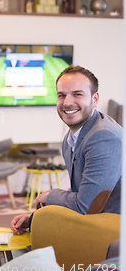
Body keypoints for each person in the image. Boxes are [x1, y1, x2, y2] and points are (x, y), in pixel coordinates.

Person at [11, 65, 122, 235]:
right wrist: (34, 218)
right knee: (30, 236)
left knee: (37, 244)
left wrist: (51, 195)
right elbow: (82, 191)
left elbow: (85, 206)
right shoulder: (72, 137)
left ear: (95, 98)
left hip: (112, 233)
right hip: (94, 223)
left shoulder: (103, 136)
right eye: (62, 95)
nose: (68, 102)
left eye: (77, 94)